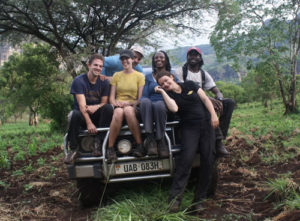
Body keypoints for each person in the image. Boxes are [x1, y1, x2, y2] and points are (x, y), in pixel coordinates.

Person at [155, 71, 219, 213]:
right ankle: (174, 201)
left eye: (166, 80)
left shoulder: (189, 84)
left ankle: (199, 201)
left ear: (172, 77)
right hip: (189, 128)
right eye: (161, 84)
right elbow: (174, 108)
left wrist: (213, 115)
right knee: (186, 160)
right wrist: (162, 92)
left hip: (206, 125)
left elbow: (205, 99)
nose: (165, 84)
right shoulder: (170, 95)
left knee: (208, 160)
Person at [174, 47, 235, 156]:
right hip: (187, 103)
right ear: (187, 57)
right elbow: (182, 91)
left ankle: (220, 138)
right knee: (205, 104)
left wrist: (219, 100)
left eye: (196, 55)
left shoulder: (203, 74)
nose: (193, 57)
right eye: (190, 55)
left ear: (200, 58)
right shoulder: (180, 72)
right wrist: (208, 99)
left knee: (229, 103)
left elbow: (216, 90)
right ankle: (218, 141)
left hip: (202, 101)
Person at [65, 54, 113, 164]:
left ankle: (98, 142)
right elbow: (82, 106)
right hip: (83, 114)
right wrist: (89, 123)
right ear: (89, 65)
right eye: (95, 65)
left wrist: (96, 106)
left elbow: (104, 102)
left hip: (97, 114)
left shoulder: (104, 82)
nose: (98, 68)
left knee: (108, 108)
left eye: (101, 66)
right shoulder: (79, 81)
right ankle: (73, 149)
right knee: (74, 114)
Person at [106, 49, 145, 162]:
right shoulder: (116, 75)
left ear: (132, 59)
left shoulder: (140, 76)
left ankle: (139, 145)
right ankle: (110, 148)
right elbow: (112, 97)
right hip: (118, 105)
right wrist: (115, 103)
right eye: (122, 59)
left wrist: (129, 103)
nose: (125, 61)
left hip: (132, 106)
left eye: (127, 58)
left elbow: (139, 98)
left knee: (128, 110)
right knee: (118, 112)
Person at [138, 51, 171, 157]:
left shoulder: (171, 75)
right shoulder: (148, 77)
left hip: (164, 103)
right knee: (145, 101)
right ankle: (151, 139)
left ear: (166, 59)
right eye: (156, 58)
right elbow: (144, 95)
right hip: (150, 104)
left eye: (161, 57)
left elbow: (178, 89)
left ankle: (160, 140)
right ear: (153, 60)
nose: (158, 59)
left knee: (158, 105)